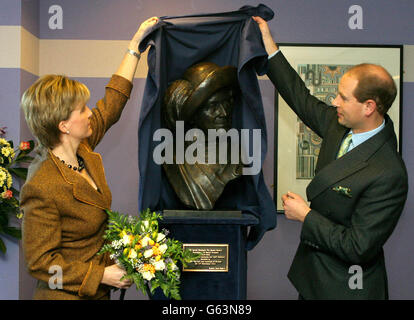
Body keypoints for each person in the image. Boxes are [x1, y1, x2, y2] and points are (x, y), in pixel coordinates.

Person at [253, 16, 408, 299]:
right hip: (313, 278)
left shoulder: (389, 173)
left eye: (343, 97)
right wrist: (268, 44)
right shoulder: (340, 126)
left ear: (369, 107)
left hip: (347, 288)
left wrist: (306, 216)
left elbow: (358, 246)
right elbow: (300, 98)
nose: (334, 102)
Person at [19, 17, 159, 300]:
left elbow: (113, 101)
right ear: (63, 126)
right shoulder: (42, 185)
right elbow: (41, 263)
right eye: (82, 109)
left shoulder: (81, 148)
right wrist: (101, 275)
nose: (89, 113)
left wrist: (135, 46)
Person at [162, 61, 243, 210]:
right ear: (193, 115)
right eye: (213, 106)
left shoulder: (238, 156)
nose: (224, 113)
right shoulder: (172, 157)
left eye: (227, 103)